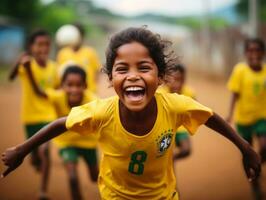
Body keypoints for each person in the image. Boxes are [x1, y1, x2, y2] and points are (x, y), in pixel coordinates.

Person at [2, 27, 261, 200]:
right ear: (111, 77)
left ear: (160, 77)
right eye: (122, 68)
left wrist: (245, 148)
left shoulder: (175, 106)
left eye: (144, 67)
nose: (133, 76)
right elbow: (61, 123)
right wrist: (23, 150)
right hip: (115, 196)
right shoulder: (102, 112)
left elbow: (211, 117)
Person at [26, 65, 99, 200]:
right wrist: (28, 69)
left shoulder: (93, 101)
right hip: (66, 143)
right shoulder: (57, 97)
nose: (74, 89)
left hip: (89, 143)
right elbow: (38, 92)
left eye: (79, 85)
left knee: (95, 177)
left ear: (85, 86)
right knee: (72, 177)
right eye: (69, 85)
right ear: (62, 85)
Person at [8, 29, 57, 200]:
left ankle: (43, 191)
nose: (43, 48)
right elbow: (11, 77)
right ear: (31, 47)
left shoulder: (53, 67)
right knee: (35, 157)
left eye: (47, 44)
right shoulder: (27, 64)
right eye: (39, 44)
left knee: (45, 151)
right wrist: (20, 61)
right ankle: (35, 160)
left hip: (48, 115)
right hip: (29, 117)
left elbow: (42, 93)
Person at [227, 38, 266, 200]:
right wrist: (230, 113)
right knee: (246, 151)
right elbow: (235, 93)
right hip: (243, 120)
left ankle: (257, 165)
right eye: (250, 51)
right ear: (246, 54)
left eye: (257, 50)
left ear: (263, 53)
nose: (254, 54)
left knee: (265, 146)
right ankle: (254, 182)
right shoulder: (240, 71)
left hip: (261, 118)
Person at [158, 64, 195, 160]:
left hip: (181, 128)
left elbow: (195, 110)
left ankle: (172, 159)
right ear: (166, 80)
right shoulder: (161, 94)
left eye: (180, 80)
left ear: (184, 80)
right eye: (173, 80)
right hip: (165, 131)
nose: (176, 84)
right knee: (167, 156)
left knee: (186, 150)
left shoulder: (189, 93)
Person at [56, 23, 101, 92]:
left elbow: (97, 72)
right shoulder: (62, 53)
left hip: (88, 92)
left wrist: (92, 88)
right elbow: (59, 74)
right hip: (69, 94)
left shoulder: (90, 52)